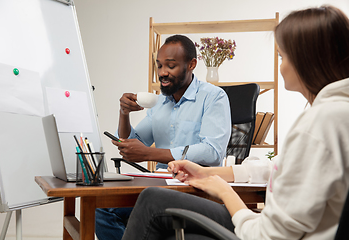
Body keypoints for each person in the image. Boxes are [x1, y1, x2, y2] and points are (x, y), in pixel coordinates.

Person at [122, 5, 349, 240]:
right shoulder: (336, 114)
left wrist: (223, 190)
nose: (281, 66)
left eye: (283, 56)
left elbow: (268, 235)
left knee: (152, 200)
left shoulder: (318, 125)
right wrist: (210, 174)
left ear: (307, 59)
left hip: (260, 232)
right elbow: (278, 168)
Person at [95, 34, 232, 240]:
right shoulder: (159, 103)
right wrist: (124, 113)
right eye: (159, 66)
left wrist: (150, 154)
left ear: (192, 64)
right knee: (103, 209)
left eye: (170, 66)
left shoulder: (214, 97)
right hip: (160, 186)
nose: (163, 73)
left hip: (196, 190)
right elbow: (131, 143)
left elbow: (212, 152)